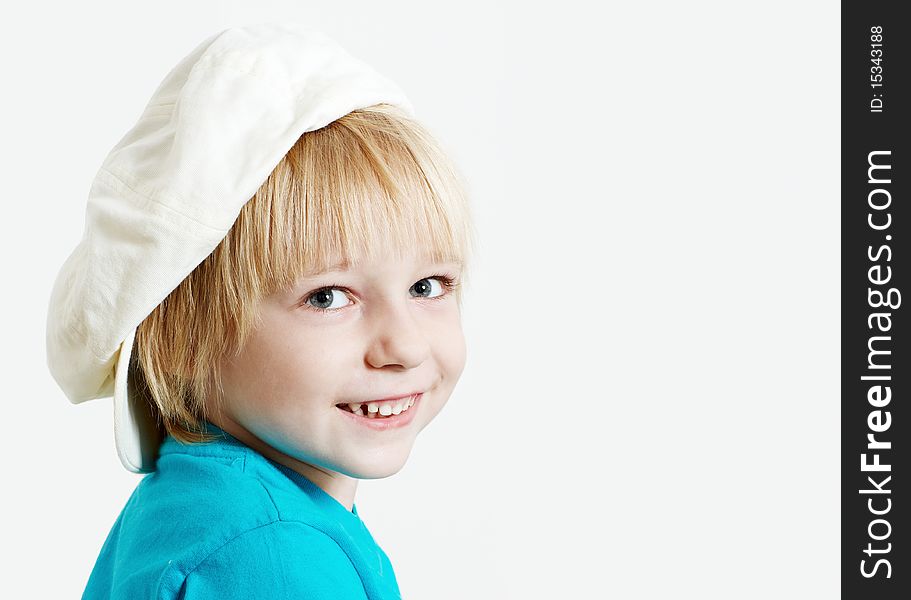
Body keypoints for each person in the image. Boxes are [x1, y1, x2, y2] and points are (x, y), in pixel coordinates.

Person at [45, 23, 475, 599]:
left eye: (428, 285)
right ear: (181, 340)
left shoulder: (200, 506)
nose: (406, 346)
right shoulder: (272, 557)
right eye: (328, 297)